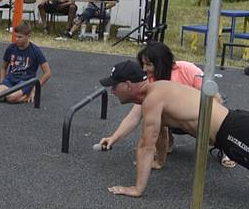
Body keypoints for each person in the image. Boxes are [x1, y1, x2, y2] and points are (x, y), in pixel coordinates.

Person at [99, 60, 249, 197]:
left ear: (128, 85)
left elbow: (145, 146)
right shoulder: (156, 91)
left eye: (114, 86)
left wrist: (136, 189)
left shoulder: (152, 99)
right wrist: (160, 161)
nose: (112, 92)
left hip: (238, 133)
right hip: (236, 131)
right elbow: (160, 136)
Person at [98, 43, 232, 169]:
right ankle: (163, 152)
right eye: (143, 64)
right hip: (175, 120)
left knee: (217, 131)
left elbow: (216, 100)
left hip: (198, 115)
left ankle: (228, 149)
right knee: (155, 116)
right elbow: (134, 116)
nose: (144, 69)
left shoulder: (187, 69)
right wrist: (113, 138)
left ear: (162, 63)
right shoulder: (150, 81)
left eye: (149, 64)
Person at [0, 22, 51, 103]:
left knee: (11, 98)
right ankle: (14, 94)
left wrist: (35, 88)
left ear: (28, 36)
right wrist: (2, 81)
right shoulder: (11, 48)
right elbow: (3, 67)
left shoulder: (35, 51)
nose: (16, 39)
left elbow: (47, 73)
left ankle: (26, 96)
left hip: (25, 82)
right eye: (15, 36)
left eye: (20, 37)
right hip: (10, 79)